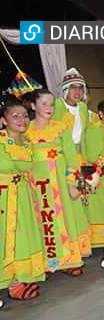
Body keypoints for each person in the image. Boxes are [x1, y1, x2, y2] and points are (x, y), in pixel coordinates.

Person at [26, 89, 91, 275]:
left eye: (51, 104)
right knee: (44, 221)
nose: (49, 108)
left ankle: (69, 259)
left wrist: (72, 183)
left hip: (61, 185)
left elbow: (72, 158)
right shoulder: (27, 130)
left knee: (65, 220)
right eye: (44, 103)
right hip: (39, 186)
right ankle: (48, 261)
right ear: (33, 106)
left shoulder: (61, 127)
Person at [0, 97, 45, 306]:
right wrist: (20, 167)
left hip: (24, 195)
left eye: (25, 115)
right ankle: (9, 281)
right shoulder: (1, 141)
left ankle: (19, 278)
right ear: (3, 120)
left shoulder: (27, 143)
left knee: (23, 237)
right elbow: (7, 165)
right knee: (7, 238)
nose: (22, 119)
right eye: (15, 116)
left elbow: (25, 166)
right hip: (5, 198)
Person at [80, 99, 104, 251]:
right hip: (94, 174)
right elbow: (92, 156)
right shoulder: (95, 129)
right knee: (101, 207)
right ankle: (100, 240)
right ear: (101, 114)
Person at [53, 68, 96, 153]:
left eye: (80, 88)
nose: (77, 92)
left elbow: (86, 133)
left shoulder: (83, 107)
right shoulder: (57, 104)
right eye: (73, 87)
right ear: (66, 89)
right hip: (60, 153)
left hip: (80, 153)